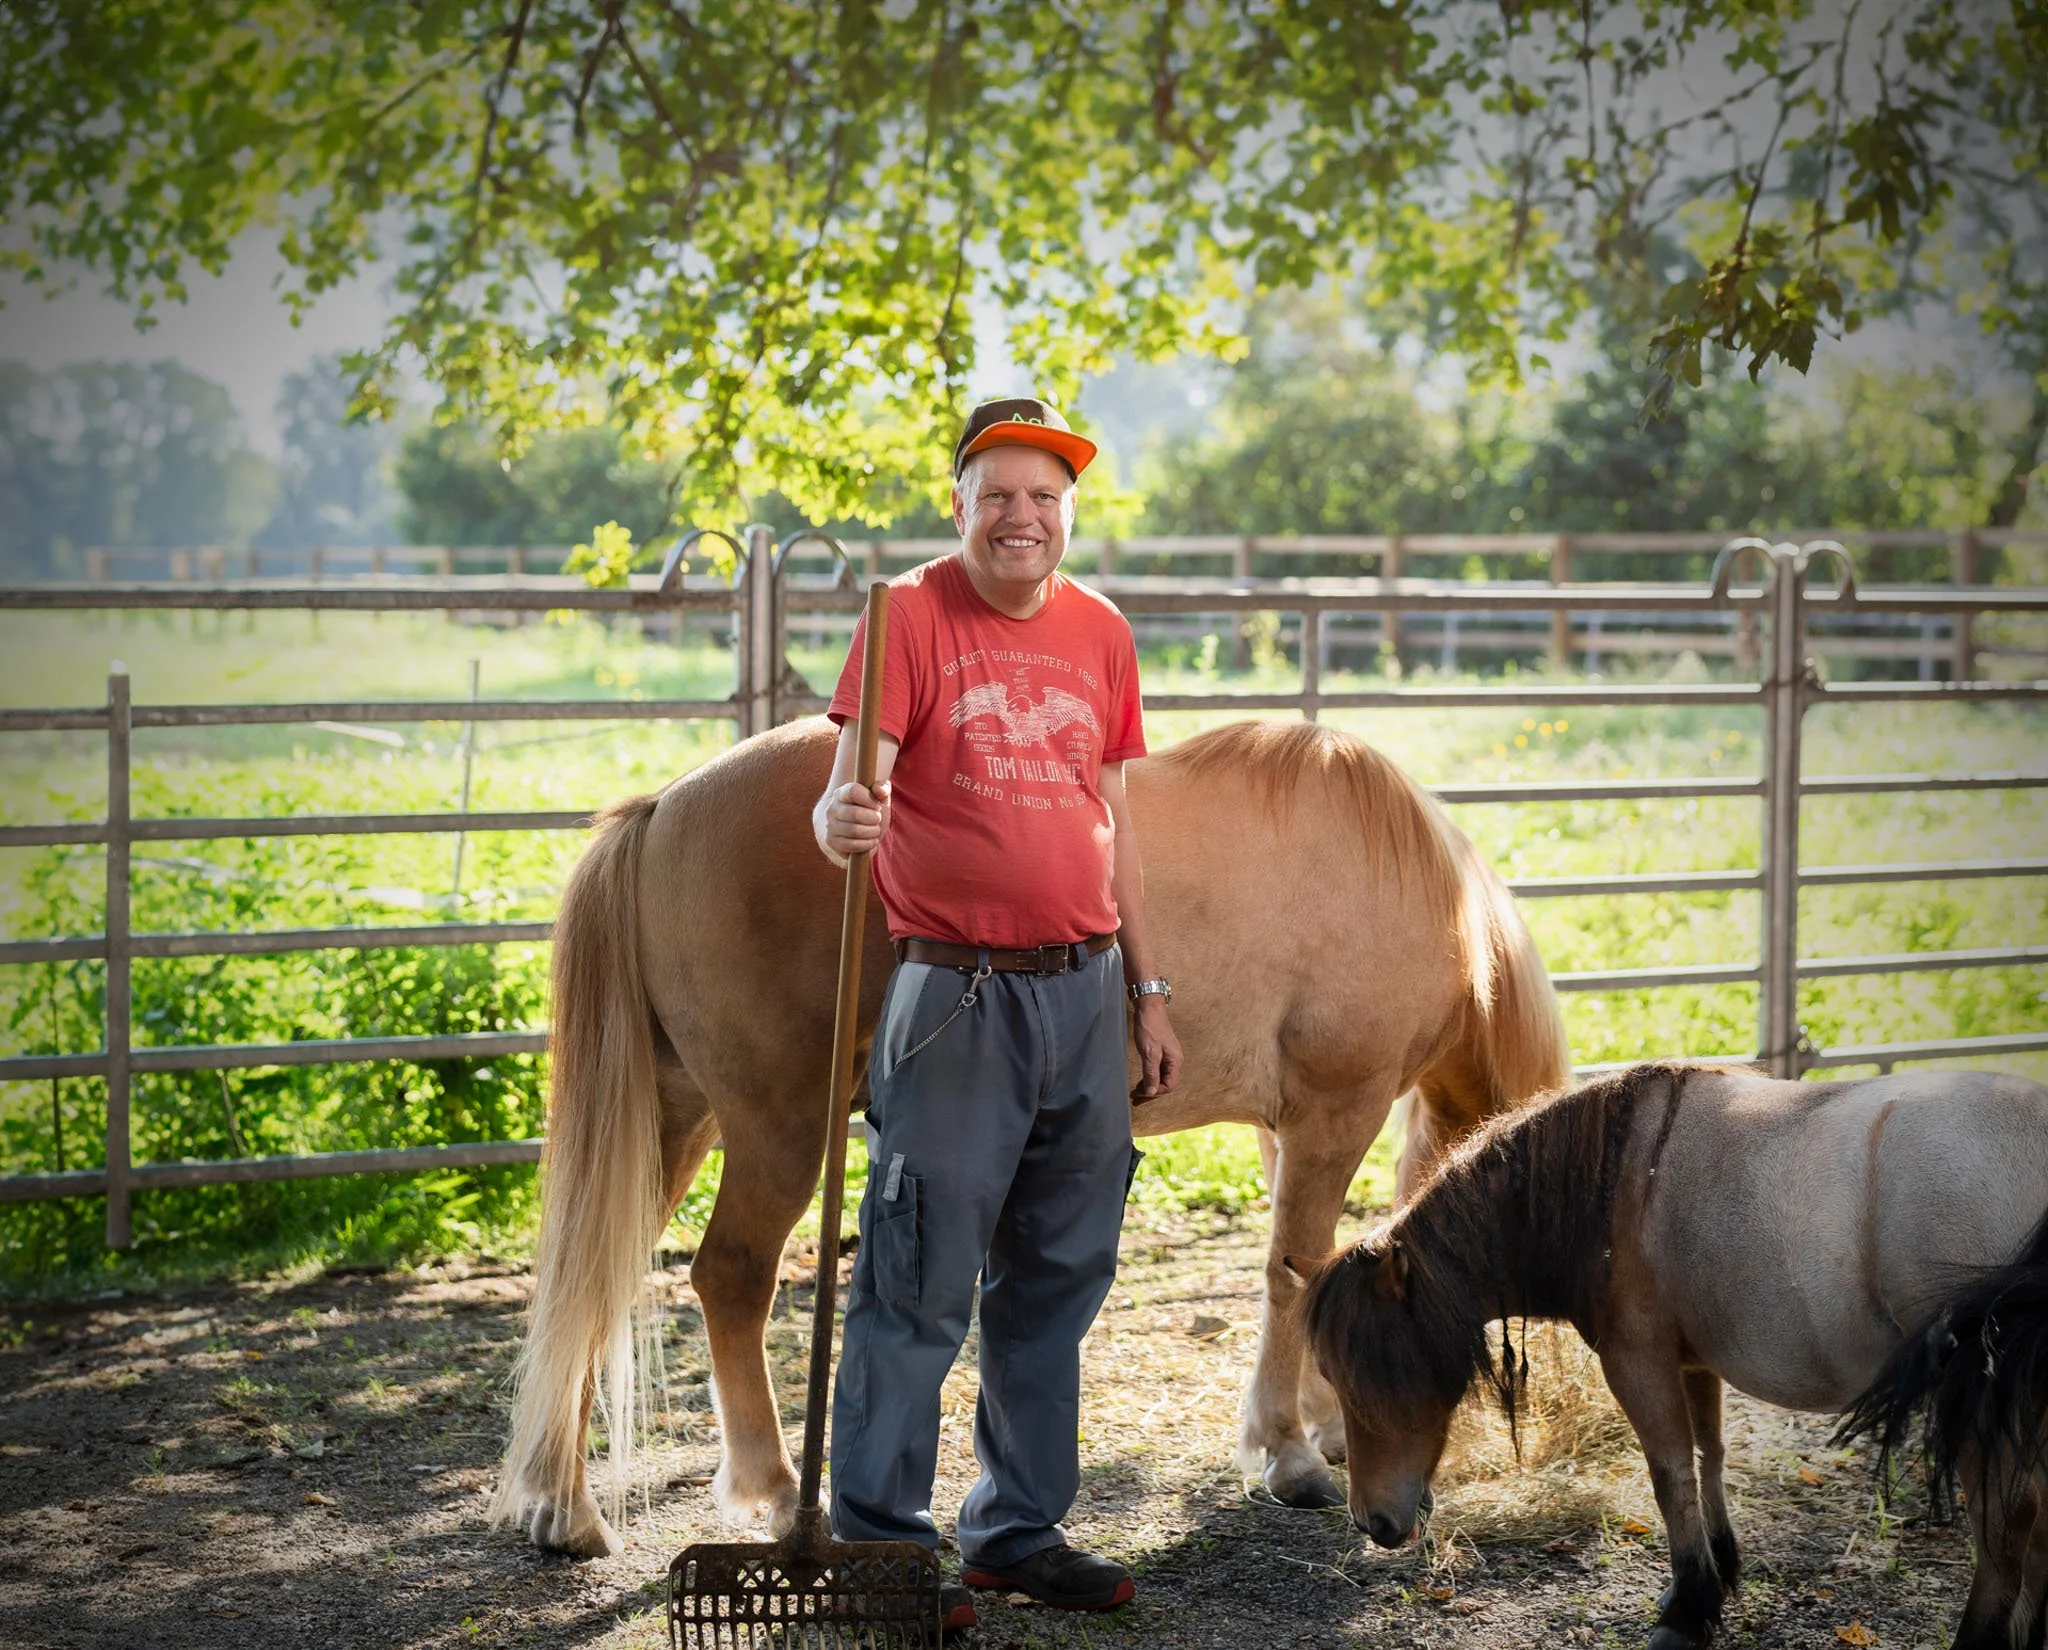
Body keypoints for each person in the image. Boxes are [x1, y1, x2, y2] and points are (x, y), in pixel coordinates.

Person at [813, 397, 1183, 1633]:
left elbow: (1114, 825)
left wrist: (1145, 990)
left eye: (1045, 497)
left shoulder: (1102, 631)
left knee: (1057, 1277)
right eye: (999, 495)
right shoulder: (907, 617)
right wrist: (835, 820)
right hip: (955, 996)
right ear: (959, 504)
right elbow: (845, 796)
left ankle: (1015, 1533)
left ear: (1066, 510)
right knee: (918, 1276)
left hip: (1082, 991)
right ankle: (877, 1553)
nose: (1022, 517)